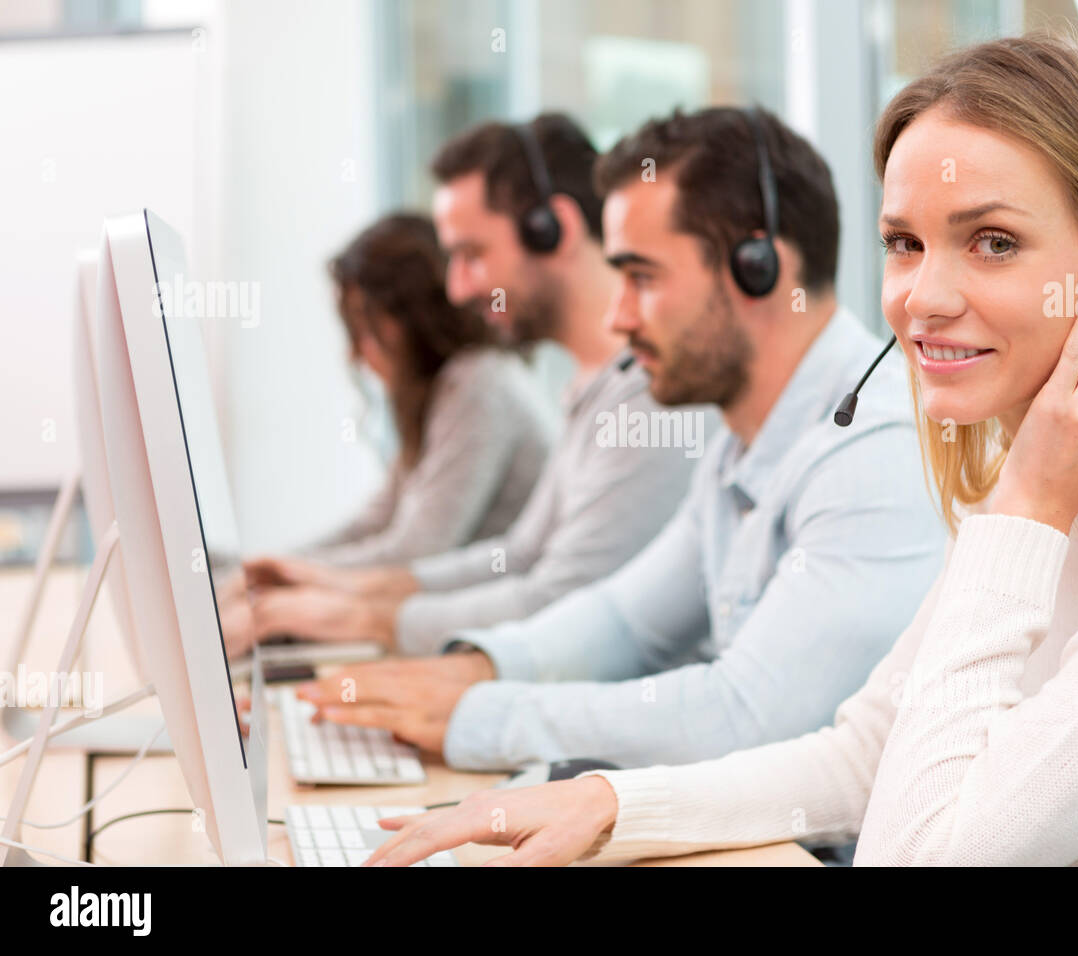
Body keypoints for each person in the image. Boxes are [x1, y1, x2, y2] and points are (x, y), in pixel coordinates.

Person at [357, 33, 1078, 867]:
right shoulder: (1049, 485)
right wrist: (610, 804)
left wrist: (1029, 506)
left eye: (993, 243)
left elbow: (920, 854)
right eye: (905, 243)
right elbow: (865, 755)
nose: (922, 297)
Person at [297, 106, 948, 779]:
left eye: (642, 277)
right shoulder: (741, 445)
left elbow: (744, 716)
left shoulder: (873, 451)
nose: (617, 314)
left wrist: (481, 714)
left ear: (759, 268)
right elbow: (624, 621)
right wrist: (475, 668)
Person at [245, 114, 710, 649]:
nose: (458, 288)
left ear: (551, 229)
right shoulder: (597, 387)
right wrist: (334, 588)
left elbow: (557, 599)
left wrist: (349, 615)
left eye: (471, 255)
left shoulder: (650, 399)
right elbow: (518, 557)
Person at [294, 212, 556, 568]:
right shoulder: (441, 397)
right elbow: (372, 524)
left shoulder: (479, 386)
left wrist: (280, 579)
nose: (356, 353)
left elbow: (416, 552)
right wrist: (258, 573)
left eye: (365, 329)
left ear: (414, 318)